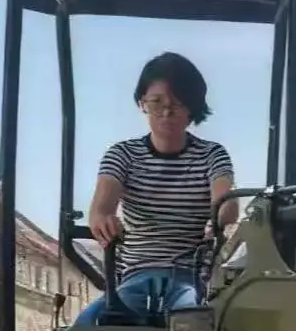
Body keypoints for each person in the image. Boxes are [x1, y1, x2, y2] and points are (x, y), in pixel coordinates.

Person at [88, 53, 238, 295]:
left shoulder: (212, 155)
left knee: (190, 313)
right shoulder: (122, 154)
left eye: (177, 104)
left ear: (192, 108)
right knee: (94, 319)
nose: (167, 112)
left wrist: (222, 218)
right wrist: (103, 219)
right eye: (157, 103)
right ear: (142, 104)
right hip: (135, 275)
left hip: (191, 277)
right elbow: (101, 209)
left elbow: (225, 202)